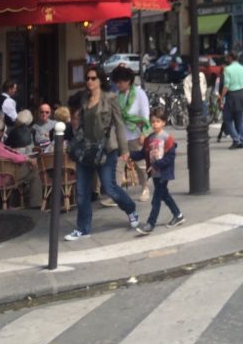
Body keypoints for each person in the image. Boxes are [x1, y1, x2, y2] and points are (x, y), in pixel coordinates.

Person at [64, 68, 137, 241]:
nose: (89, 81)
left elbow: (119, 124)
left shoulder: (110, 98)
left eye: (93, 78)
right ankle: (83, 228)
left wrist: (124, 150)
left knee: (110, 188)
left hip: (105, 149)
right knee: (82, 192)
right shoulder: (84, 98)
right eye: (87, 78)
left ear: (100, 80)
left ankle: (131, 209)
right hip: (85, 149)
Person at [133, 106, 183, 235]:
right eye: (153, 121)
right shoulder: (149, 138)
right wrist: (129, 155)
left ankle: (151, 223)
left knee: (156, 199)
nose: (155, 124)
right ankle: (178, 215)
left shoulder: (167, 138)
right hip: (155, 173)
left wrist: (157, 164)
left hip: (163, 173)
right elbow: (143, 154)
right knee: (164, 195)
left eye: (158, 121)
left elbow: (170, 158)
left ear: (164, 122)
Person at [0, 118, 42, 207]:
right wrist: (29, 159)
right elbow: (14, 157)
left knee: (28, 168)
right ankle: (35, 203)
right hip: (3, 179)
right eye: (1, 130)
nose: (3, 133)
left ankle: (15, 201)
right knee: (34, 169)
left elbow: (8, 151)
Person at [110, 65, 151, 204]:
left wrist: (144, 133)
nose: (118, 85)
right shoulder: (117, 95)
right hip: (121, 135)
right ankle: (115, 193)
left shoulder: (139, 93)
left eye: (120, 82)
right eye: (116, 82)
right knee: (118, 165)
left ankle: (145, 188)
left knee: (140, 165)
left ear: (128, 81)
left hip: (136, 133)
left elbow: (145, 114)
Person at [219, 51, 243, 149]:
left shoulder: (227, 69)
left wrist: (221, 97)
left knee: (227, 119)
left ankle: (236, 139)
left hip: (232, 96)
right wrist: (240, 89)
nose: (227, 59)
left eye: (228, 57)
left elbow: (226, 85)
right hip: (241, 94)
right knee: (240, 119)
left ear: (231, 58)